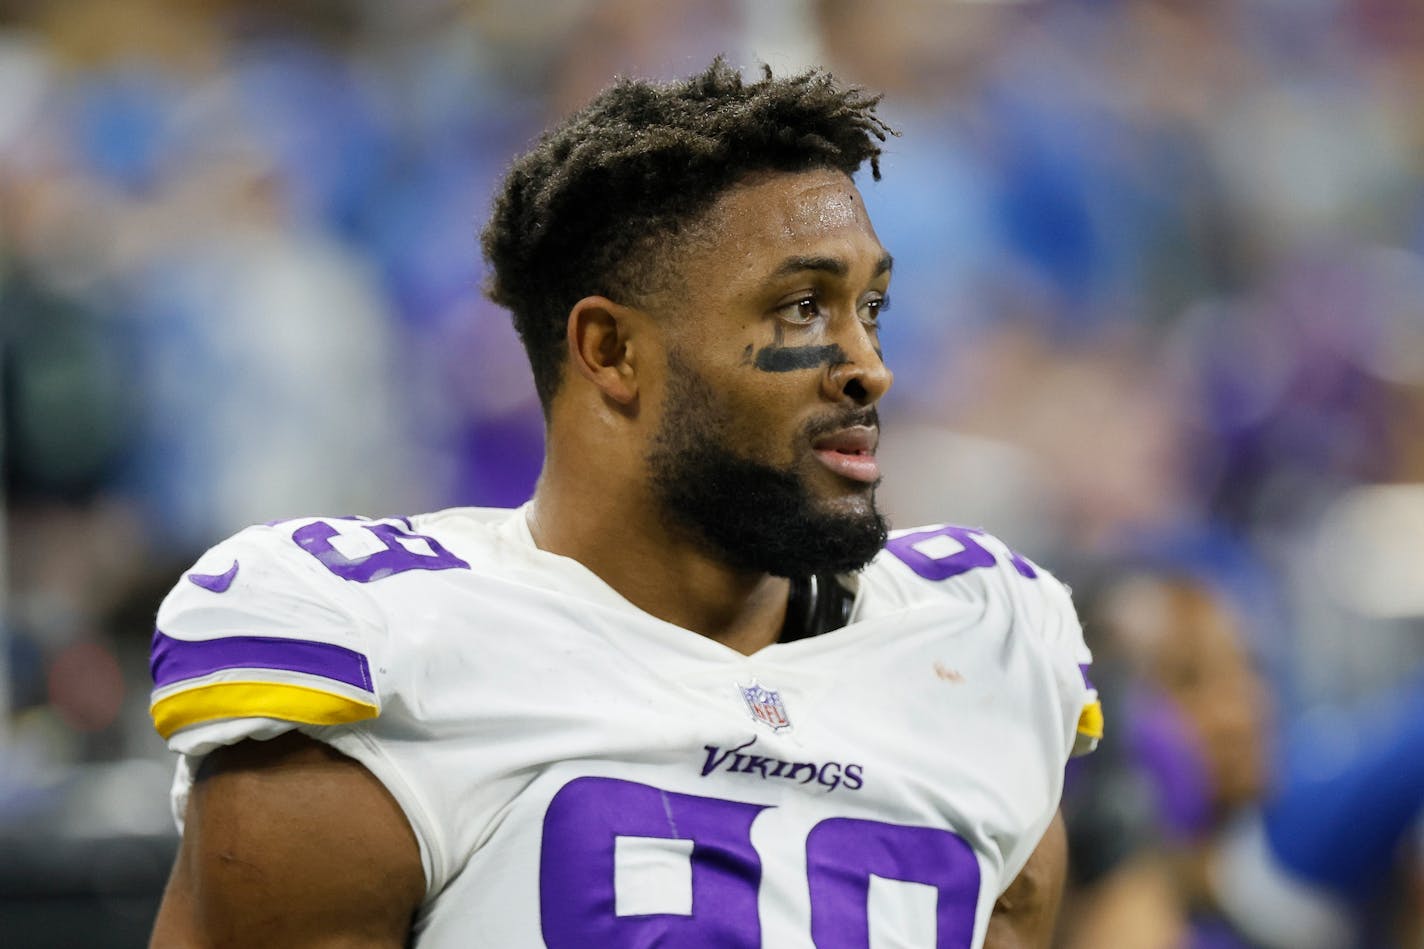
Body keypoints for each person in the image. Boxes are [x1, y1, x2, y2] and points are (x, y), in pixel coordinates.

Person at [147, 59, 1100, 948]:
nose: (870, 370)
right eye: (802, 306)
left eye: (871, 308)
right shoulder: (385, 650)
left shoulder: (980, 646)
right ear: (610, 352)